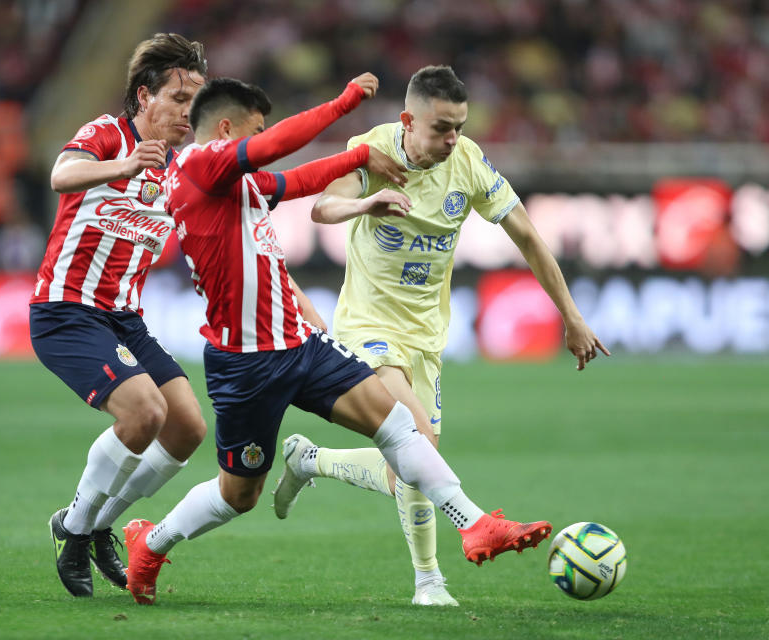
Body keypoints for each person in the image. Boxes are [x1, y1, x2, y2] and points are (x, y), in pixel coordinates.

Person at [121, 72, 552, 606]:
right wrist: (343, 104)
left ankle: (476, 524)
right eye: (255, 133)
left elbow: (298, 183)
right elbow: (280, 147)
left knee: (399, 427)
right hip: (245, 364)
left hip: (300, 344)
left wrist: (357, 165)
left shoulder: (239, 182)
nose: (262, 146)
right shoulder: (197, 166)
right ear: (226, 129)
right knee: (239, 495)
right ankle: (151, 545)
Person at [272, 65, 610, 607]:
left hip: (426, 337)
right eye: (441, 128)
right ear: (408, 121)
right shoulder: (374, 150)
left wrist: (570, 315)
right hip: (367, 327)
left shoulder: (469, 162)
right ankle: (434, 576)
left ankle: (310, 460)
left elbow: (525, 233)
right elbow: (320, 205)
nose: (452, 139)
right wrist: (365, 202)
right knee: (419, 440)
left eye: (459, 126)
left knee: (405, 468)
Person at [30, 33, 210, 598]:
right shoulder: (108, 135)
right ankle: (75, 531)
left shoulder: (181, 168)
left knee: (187, 428)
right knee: (143, 412)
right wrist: (124, 165)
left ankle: (99, 521)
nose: (190, 112)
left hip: (124, 320)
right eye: (179, 98)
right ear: (143, 96)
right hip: (66, 311)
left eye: (196, 101)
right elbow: (61, 174)